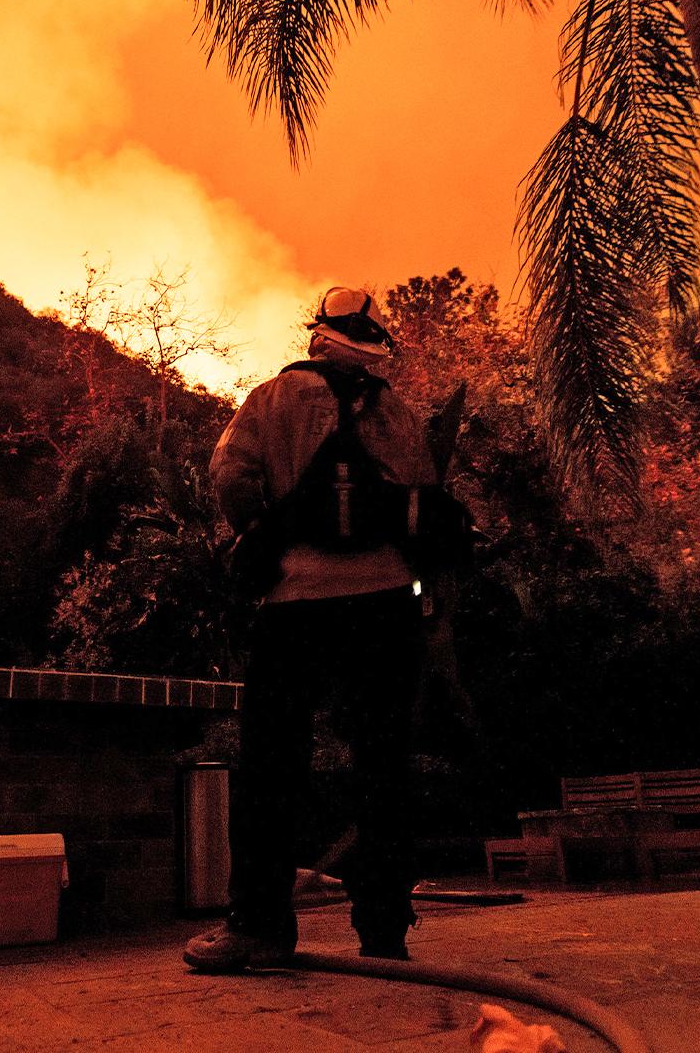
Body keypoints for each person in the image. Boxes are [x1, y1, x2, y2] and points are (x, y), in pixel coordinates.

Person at [185, 286, 439, 971]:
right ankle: (385, 933)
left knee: (271, 764)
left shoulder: (270, 400)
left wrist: (266, 539)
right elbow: (425, 497)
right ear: (373, 343)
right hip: (385, 604)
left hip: (294, 605)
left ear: (317, 337)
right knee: (384, 765)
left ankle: (258, 926)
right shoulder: (397, 413)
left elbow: (230, 478)